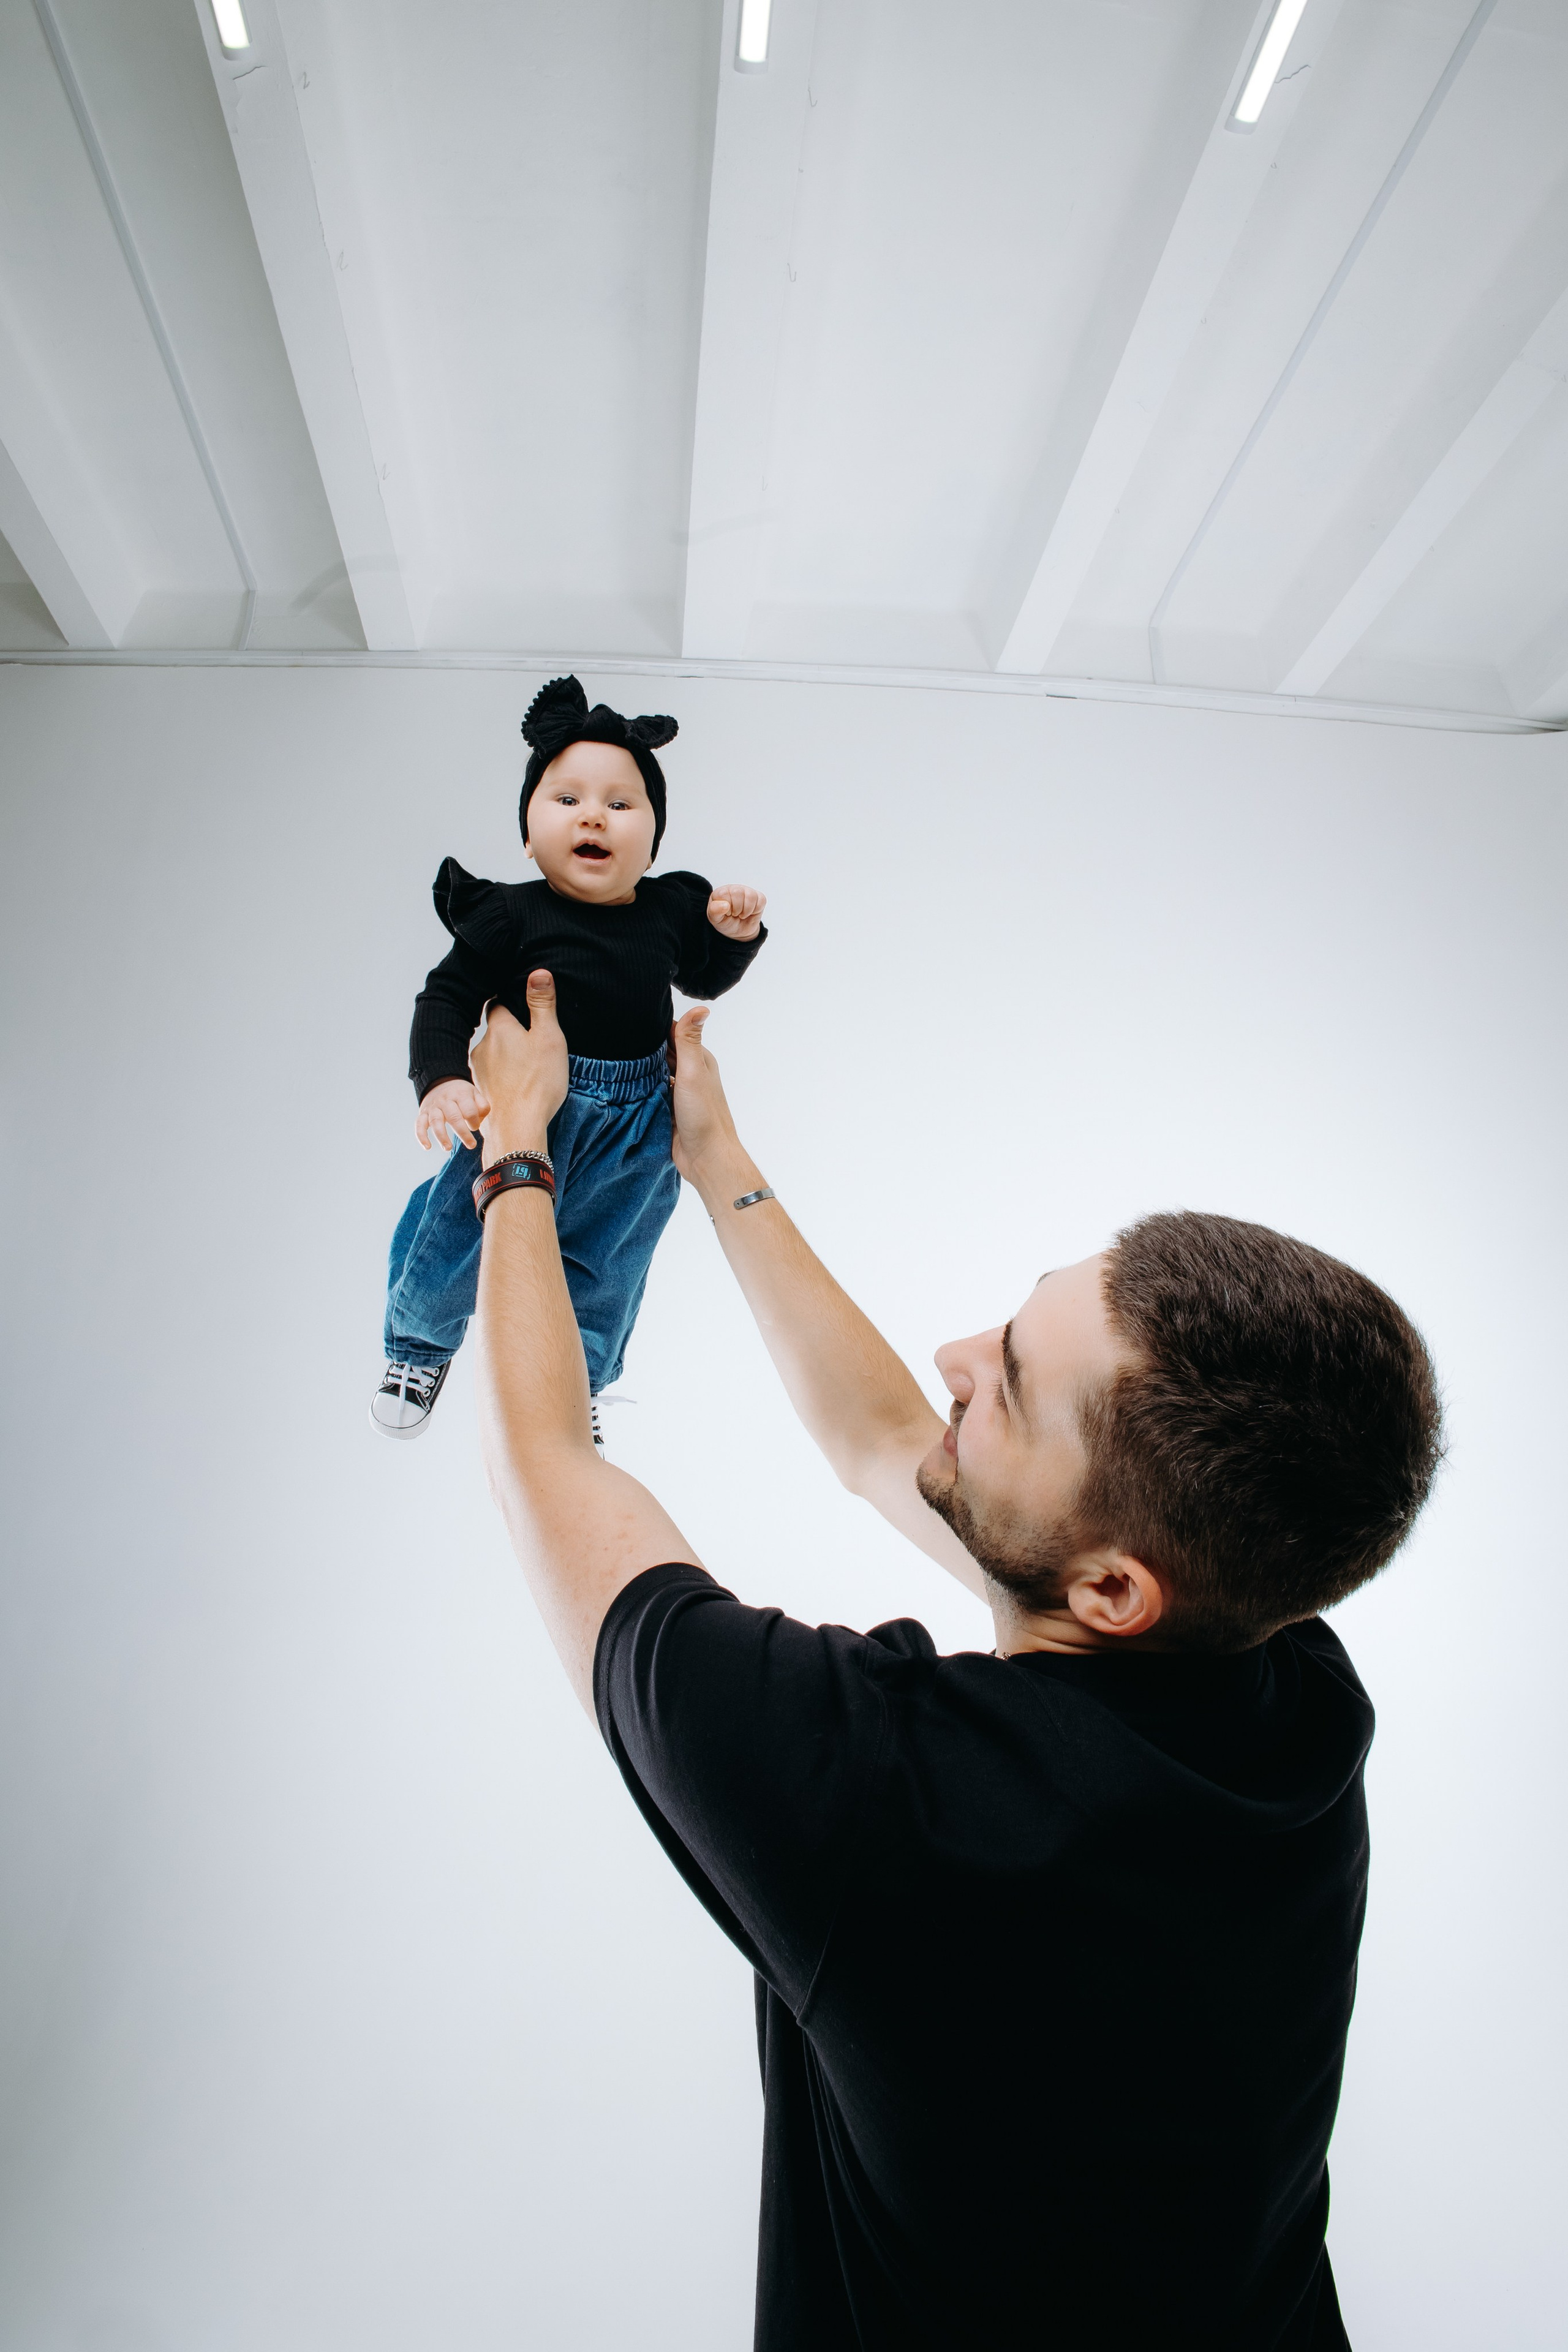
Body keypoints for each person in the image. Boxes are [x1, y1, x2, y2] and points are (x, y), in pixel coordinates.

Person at [465, 972, 1443, 2352]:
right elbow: (890, 1448)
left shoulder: (873, 1798)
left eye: (1011, 1381)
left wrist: (515, 1152)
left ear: (1112, 1590)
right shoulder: (1289, 1688)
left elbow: (543, 1461)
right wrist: (714, 1156)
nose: (953, 1355)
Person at [371, 675, 766, 1440]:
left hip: (639, 1128)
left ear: (651, 841)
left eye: (622, 805)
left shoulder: (668, 909)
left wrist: (733, 935)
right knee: (456, 1230)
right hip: (532, 1109)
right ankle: (417, 1344)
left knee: (607, 1262)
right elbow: (445, 998)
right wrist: (444, 1079)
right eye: (568, 801)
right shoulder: (511, 914)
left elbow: (705, 979)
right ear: (527, 832)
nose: (594, 814)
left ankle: (576, 1378)